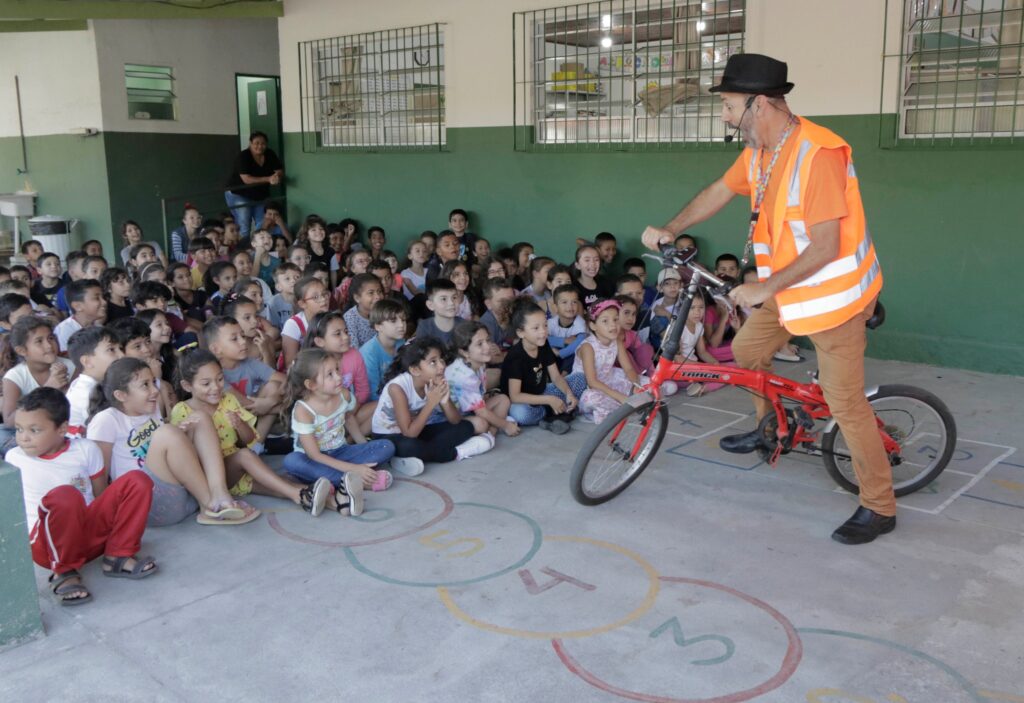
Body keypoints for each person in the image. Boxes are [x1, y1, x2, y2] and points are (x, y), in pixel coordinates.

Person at [641, 53, 889, 545]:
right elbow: (719, 190)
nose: (725, 116)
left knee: (845, 404)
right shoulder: (761, 151)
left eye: (729, 106)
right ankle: (770, 426)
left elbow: (826, 245)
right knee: (749, 351)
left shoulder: (818, 154)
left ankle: (879, 505)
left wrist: (763, 287)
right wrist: (671, 227)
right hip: (792, 292)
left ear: (759, 105)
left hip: (834, 301)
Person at [7, 388, 156, 606]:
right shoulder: (14, 459)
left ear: (62, 429)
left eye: (34, 430)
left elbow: (100, 496)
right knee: (65, 495)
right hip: (46, 548)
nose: (24, 437)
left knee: (137, 480)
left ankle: (118, 555)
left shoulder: (86, 449)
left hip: (88, 537)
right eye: (19, 429)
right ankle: (64, 572)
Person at [86, 357, 260, 527]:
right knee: (167, 433)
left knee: (199, 418)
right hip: (148, 503)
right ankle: (211, 506)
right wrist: (108, 521)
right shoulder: (107, 420)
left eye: (153, 382)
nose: (155, 390)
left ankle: (220, 495)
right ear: (121, 395)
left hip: (185, 494)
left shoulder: (151, 408)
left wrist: (182, 433)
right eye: (145, 385)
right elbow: (99, 474)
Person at [170, 349, 331, 518]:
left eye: (220, 379)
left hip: (235, 471)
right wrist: (184, 431)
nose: (215, 387)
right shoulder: (182, 411)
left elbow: (248, 440)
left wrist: (239, 425)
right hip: (208, 479)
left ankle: (336, 501)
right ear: (187, 386)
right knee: (248, 458)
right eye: (206, 384)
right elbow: (183, 457)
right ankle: (297, 495)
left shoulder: (228, 400)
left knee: (277, 486)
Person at [281, 349, 400, 513]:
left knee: (386, 446)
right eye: (329, 374)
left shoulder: (343, 395)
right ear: (311, 385)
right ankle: (362, 481)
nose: (339, 377)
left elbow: (349, 418)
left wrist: (363, 446)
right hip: (313, 460)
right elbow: (314, 455)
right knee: (291, 461)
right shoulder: (304, 410)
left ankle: (332, 482)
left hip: (341, 451)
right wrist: (354, 469)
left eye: (337, 369)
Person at [370, 337, 488, 467]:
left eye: (441, 359)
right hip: (387, 437)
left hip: (418, 430)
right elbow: (409, 433)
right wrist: (431, 403)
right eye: (433, 362)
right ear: (415, 370)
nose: (441, 366)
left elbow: (455, 421)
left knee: (466, 426)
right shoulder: (397, 388)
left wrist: (444, 400)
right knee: (410, 446)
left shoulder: (434, 380)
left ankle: (411, 458)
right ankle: (456, 453)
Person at [500, 299, 585, 434]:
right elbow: (515, 396)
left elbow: (556, 377)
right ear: (521, 333)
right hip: (524, 402)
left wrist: (569, 394)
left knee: (581, 379)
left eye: (545, 325)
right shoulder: (515, 357)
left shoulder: (544, 344)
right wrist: (549, 400)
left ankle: (555, 412)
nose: (543, 332)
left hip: (542, 393)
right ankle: (554, 413)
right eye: (536, 328)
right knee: (520, 414)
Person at [572, 300, 643, 424]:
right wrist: (620, 396)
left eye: (616, 319)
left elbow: (628, 369)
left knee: (645, 383)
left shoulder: (617, 341)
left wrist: (636, 386)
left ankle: (624, 407)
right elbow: (592, 382)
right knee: (592, 399)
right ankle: (625, 407)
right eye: (605, 321)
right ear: (593, 326)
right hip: (589, 389)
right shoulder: (588, 347)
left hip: (610, 380)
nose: (613, 325)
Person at [225, 131, 283, 237]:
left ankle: (260, 244)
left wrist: (276, 176)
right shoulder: (243, 156)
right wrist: (268, 179)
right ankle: (244, 246)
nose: (260, 146)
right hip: (239, 193)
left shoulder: (270, 154)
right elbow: (246, 179)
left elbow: (279, 170)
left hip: (260, 195)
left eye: (263, 143)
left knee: (263, 223)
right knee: (244, 225)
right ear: (250, 143)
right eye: (256, 143)